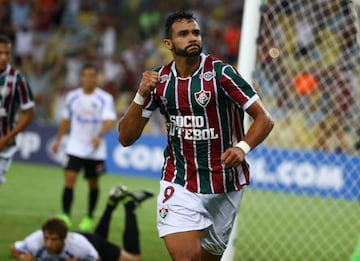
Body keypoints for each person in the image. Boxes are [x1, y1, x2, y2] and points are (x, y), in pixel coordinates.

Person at [118, 11, 274, 261]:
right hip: (180, 181)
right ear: (168, 44)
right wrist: (140, 95)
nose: (192, 38)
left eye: (196, 33)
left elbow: (264, 118)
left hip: (225, 184)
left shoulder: (222, 73)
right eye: (184, 34)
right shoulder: (159, 81)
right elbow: (125, 138)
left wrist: (242, 147)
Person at [10, 185, 154, 261]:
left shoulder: (80, 248)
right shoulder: (36, 240)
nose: (48, 244)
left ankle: (130, 205)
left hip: (90, 243)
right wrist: (23, 257)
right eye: (46, 238)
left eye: (53, 240)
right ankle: (111, 203)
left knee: (134, 259)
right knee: (99, 237)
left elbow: (97, 258)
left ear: (63, 239)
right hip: (82, 240)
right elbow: (14, 249)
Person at [52, 63, 116, 232]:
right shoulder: (72, 96)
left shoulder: (105, 98)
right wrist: (58, 139)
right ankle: (65, 215)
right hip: (75, 146)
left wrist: (99, 136)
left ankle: (89, 216)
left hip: (95, 150)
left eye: (91, 76)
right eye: (85, 75)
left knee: (93, 184)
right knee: (69, 179)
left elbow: (109, 120)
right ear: (81, 78)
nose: (88, 79)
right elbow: (65, 119)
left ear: (96, 78)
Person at [0, 34, 34, 184]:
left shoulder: (18, 79)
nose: (3, 57)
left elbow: (28, 114)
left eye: (7, 53)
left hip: (3, 146)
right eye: (0, 53)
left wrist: (6, 138)